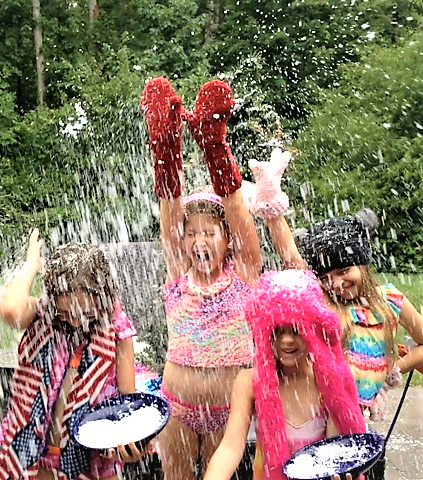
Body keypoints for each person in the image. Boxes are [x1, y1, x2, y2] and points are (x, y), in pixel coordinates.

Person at [140, 77, 262, 479]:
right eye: (192, 233)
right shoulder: (179, 274)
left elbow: (242, 222)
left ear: (227, 240)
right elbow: (170, 215)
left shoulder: (243, 274)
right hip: (177, 402)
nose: (198, 240)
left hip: (226, 407)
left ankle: (213, 143)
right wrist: (166, 152)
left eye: (209, 231)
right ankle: (166, 145)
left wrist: (215, 153)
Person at [0, 230, 146, 480]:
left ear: (103, 298)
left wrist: (131, 446)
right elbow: (11, 309)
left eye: (85, 313)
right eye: (66, 313)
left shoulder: (117, 330)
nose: (76, 321)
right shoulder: (44, 316)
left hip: (92, 460)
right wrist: (32, 264)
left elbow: (125, 402)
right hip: (37, 454)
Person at [294, 210, 423, 480]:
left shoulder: (390, 299)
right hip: (318, 415)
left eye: (344, 271)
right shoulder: (323, 304)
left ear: (363, 264)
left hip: (359, 417)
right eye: (327, 277)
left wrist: (393, 368)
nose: (337, 283)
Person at [203, 269, 367, 480]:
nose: (286, 340)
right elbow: (230, 448)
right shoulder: (249, 383)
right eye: (276, 331)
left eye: (296, 329)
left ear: (313, 330)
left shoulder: (328, 381)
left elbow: (335, 451)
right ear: (262, 334)